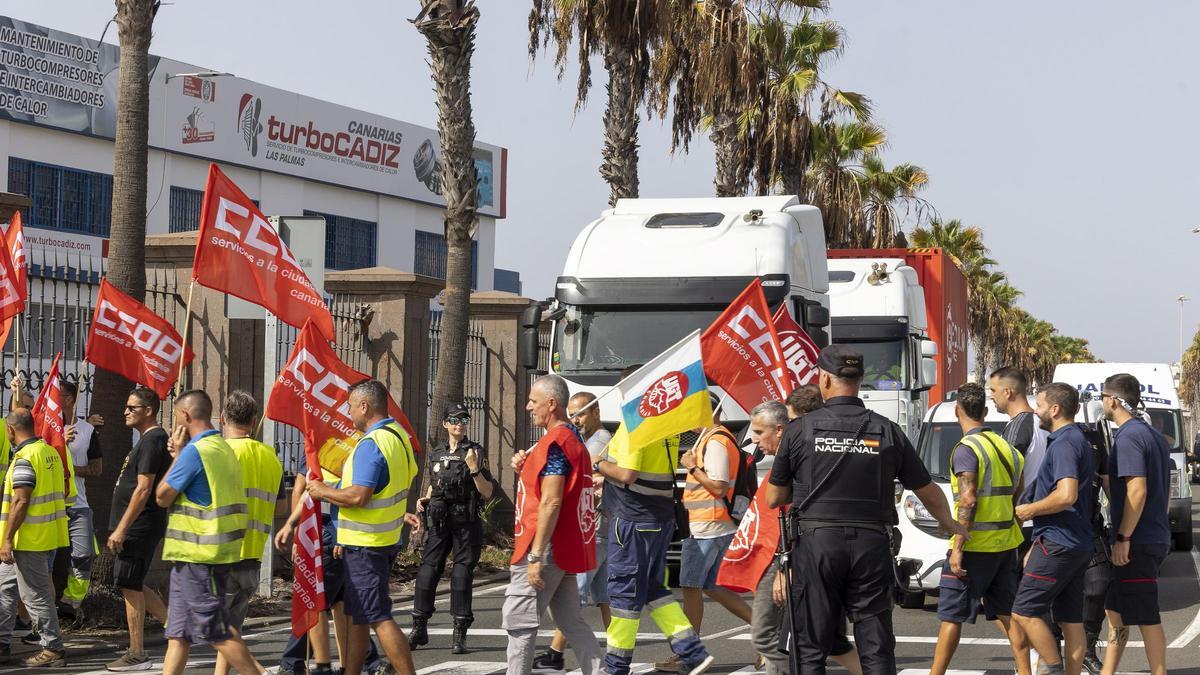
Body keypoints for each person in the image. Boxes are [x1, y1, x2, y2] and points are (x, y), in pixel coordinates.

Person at [766, 344, 964, 674]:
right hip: (872, 546)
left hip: (817, 546)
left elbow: (774, 498)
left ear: (824, 380)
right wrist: (950, 524)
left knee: (810, 643)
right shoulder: (886, 430)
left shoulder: (799, 429)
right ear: (859, 381)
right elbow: (926, 489)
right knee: (875, 643)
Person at [305, 380, 419, 675]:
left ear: (365, 406)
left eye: (351, 405)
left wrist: (320, 491)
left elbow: (358, 495)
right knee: (358, 615)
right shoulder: (398, 437)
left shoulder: (371, 444)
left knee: (378, 616)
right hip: (382, 539)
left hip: (366, 544)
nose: (348, 411)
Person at [746, 399, 862, 675]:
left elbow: (792, 513)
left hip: (790, 557)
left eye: (759, 432)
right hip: (796, 555)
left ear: (778, 430)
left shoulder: (797, 460)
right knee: (830, 640)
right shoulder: (795, 456)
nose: (754, 440)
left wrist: (785, 568)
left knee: (775, 638)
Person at [593, 410, 714, 674]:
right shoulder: (664, 424)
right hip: (659, 518)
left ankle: (616, 667)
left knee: (624, 593)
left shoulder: (633, 425)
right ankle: (692, 652)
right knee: (653, 589)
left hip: (632, 519)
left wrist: (598, 464)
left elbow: (628, 474)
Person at [154, 390, 265, 675]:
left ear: (186, 416)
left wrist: (178, 457)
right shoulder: (221, 447)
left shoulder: (195, 451)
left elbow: (162, 496)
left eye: (177, 414)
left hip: (198, 555)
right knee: (178, 634)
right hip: (209, 554)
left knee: (217, 631)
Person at [503, 375, 602, 675]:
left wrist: (535, 555)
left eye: (533, 401)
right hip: (563, 547)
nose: (527, 406)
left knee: (519, 624)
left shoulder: (556, 444)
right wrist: (526, 465)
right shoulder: (570, 441)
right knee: (572, 621)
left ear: (552, 404)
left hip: (544, 547)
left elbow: (551, 501)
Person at [930, 382, 1028, 675]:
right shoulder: (1009, 450)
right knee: (1008, 614)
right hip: (1005, 544)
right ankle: (1026, 671)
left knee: (952, 617)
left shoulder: (966, 449)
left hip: (974, 546)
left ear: (957, 411)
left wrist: (958, 546)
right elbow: (1018, 493)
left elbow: (968, 499)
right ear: (985, 412)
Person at [656, 398, 751, 672]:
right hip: (711, 524)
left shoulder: (716, 441)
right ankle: (768, 633)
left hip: (710, 526)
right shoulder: (713, 439)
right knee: (711, 587)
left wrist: (692, 466)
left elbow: (719, 487)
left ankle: (690, 655)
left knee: (691, 586)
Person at [1011, 384, 1095, 675]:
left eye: (1040, 405)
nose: (1035, 410)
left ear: (1055, 409)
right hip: (1074, 543)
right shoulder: (1075, 439)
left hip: (1059, 543)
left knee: (1023, 610)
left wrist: (1027, 510)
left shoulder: (1063, 443)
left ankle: (1053, 669)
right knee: (1070, 620)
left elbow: (1066, 494)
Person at [532, 391, 612, 674]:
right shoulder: (588, 440)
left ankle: (555, 653)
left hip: (592, 529)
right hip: (597, 529)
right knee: (603, 597)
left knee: (572, 597)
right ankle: (614, 656)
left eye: (581, 413)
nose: (575, 419)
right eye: (574, 413)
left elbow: (565, 485)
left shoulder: (599, 442)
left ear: (596, 412)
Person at [1099, 374, 1171, 675]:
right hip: (1152, 533)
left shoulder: (1128, 436)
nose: (1102, 402)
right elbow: (1163, 491)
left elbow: (1137, 490)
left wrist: (1124, 537)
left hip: (1137, 541)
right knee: (1115, 612)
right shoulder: (1153, 435)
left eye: (1103, 396)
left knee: (1146, 615)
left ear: (1114, 400)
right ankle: (1107, 671)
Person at [409, 403, 493, 654]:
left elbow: (487, 492)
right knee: (427, 571)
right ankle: (419, 627)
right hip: (439, 521)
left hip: (465, 522)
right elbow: (435, 484)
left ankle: (459, 633)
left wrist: (474, 469)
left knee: (461, 575)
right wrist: (424, 499)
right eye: (454, 419)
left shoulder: (474, 451)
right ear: (445, 423)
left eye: (464, 419)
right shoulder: (436, 452)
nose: (459, 423)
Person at [214, 391, 283, 675]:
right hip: (253, 556)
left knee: (213, 629)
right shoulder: (270, 457)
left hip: (221, 555)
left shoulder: (219, 454)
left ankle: (258, 672)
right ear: (254, 421)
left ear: (221, 418)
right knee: (230, 630)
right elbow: (279, 507)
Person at [105, 387, 171, 672]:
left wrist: (121, 528)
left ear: (148, 410)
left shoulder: (153, 440)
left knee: (129, 583)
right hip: (137, 525)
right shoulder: (146, 440)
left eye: (132, 407)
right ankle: (176, 628)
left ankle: (137, 653)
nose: (125, 412)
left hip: (138, 525)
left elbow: (144, 488)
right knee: (134, 581)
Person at [0, 408, 69, 666]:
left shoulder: (25, 458)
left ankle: (53, 648)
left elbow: (21, 500)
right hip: (43, 536)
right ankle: (2, 642)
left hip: (27, 540)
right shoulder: (49, 452)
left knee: (34, 595)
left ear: (10, 430)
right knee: (4, 588)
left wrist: (7, 539)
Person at [57, 381, 102, 620]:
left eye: (61, 395)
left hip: (79, 504)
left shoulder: (87, 430)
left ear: (70, 399)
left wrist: (73, 469)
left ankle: (70, 604)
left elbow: (97, 468)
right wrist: (58, 442)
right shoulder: (47, 426)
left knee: (84, 554)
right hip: (50, 505)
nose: (56, 398)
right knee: (45, 561)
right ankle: (37, 620)